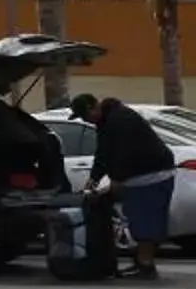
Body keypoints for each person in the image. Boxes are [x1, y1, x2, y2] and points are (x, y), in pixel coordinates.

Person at [73, 94, 173, 278]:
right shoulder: (105, 122)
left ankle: (145, 265)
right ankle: (142, 261)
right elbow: (103, 153)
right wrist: (94, 179)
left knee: (145, 221)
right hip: (140, 176)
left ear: (94, 107)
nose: (86, 121)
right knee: (138, 219)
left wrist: (117, 179)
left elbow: (124, 152)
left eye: (85, 116)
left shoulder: (121, 119)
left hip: (152, 175)